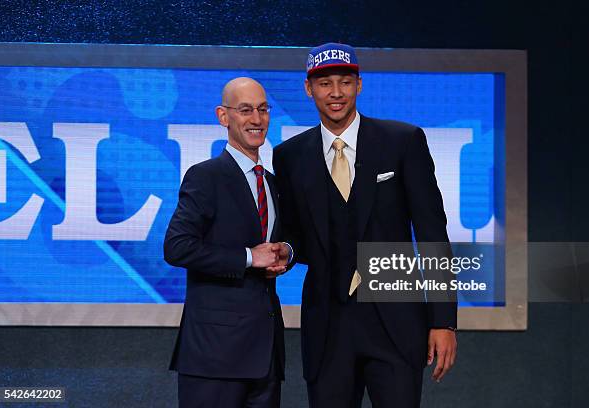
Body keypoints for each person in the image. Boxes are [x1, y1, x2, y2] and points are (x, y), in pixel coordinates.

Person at [272, 43, 457, 408]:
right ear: (309, 89)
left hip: (396, 322)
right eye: (325, 84)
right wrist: (287, 251)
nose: (336, 93)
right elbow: (295, 235)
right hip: (327, 327)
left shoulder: (402, 141)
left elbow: (433, 233)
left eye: (345, 82)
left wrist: (443, 321)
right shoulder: (289, 155)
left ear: (359, 85)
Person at [164, 77, 290, 408]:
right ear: (224, 117)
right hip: (215, 356)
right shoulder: (205, 176)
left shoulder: (273, 183)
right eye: (246, 110)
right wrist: (249, 257)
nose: (257, 119)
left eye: (263, 109)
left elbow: (285, 240)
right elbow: (177, 247)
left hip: (265, 356)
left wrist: (286, 253)